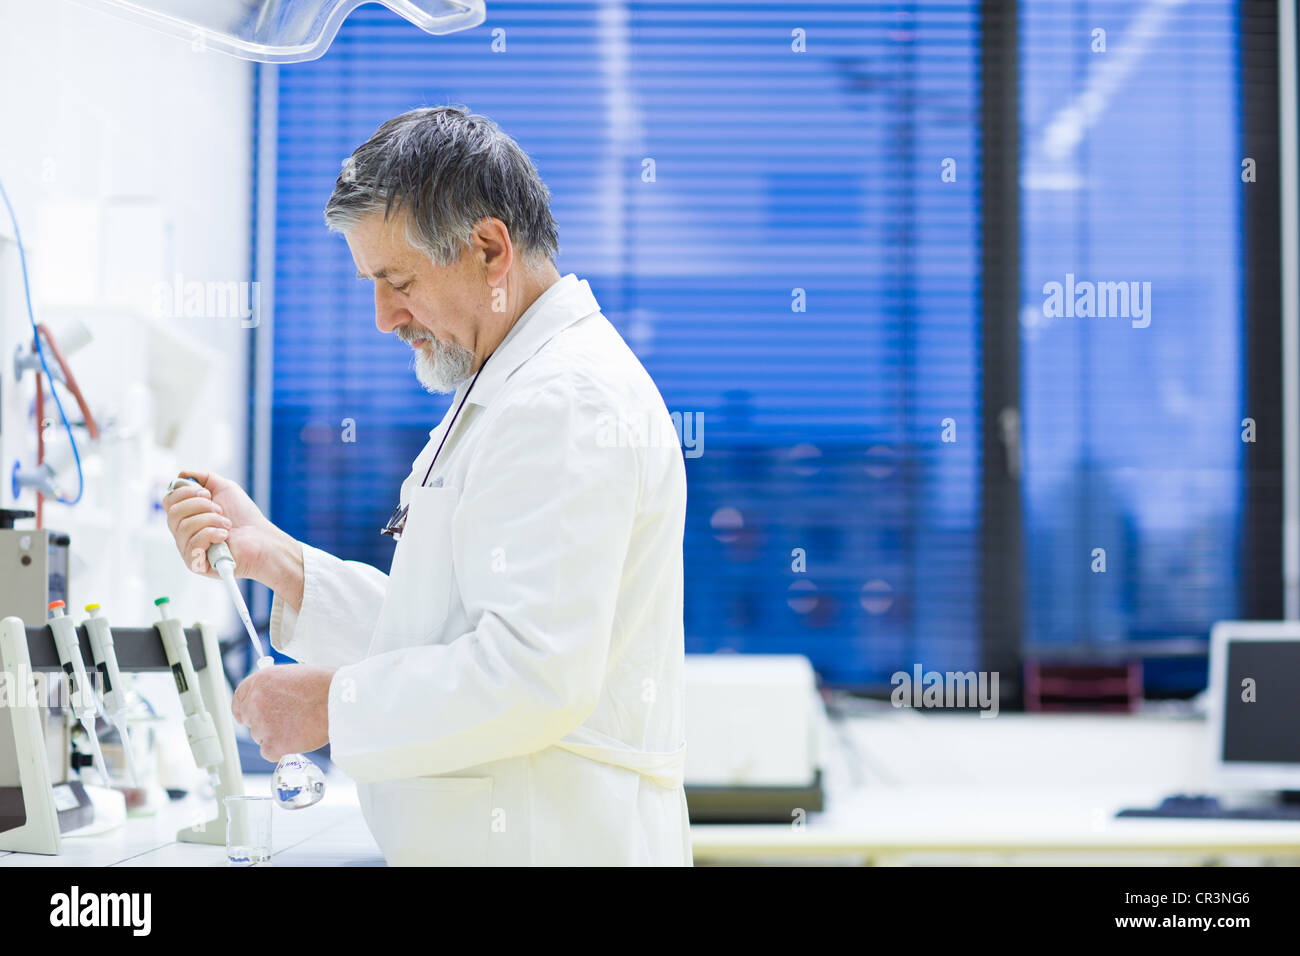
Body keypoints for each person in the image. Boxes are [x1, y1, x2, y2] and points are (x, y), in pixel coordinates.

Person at [162, 105, 691, 866]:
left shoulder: (563, 401)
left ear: (488, 248)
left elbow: (533, 675)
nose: (383, 317)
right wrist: (282, 563)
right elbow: (448, 632)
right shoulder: (508, 388)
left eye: (398, 280)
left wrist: (329, 706)